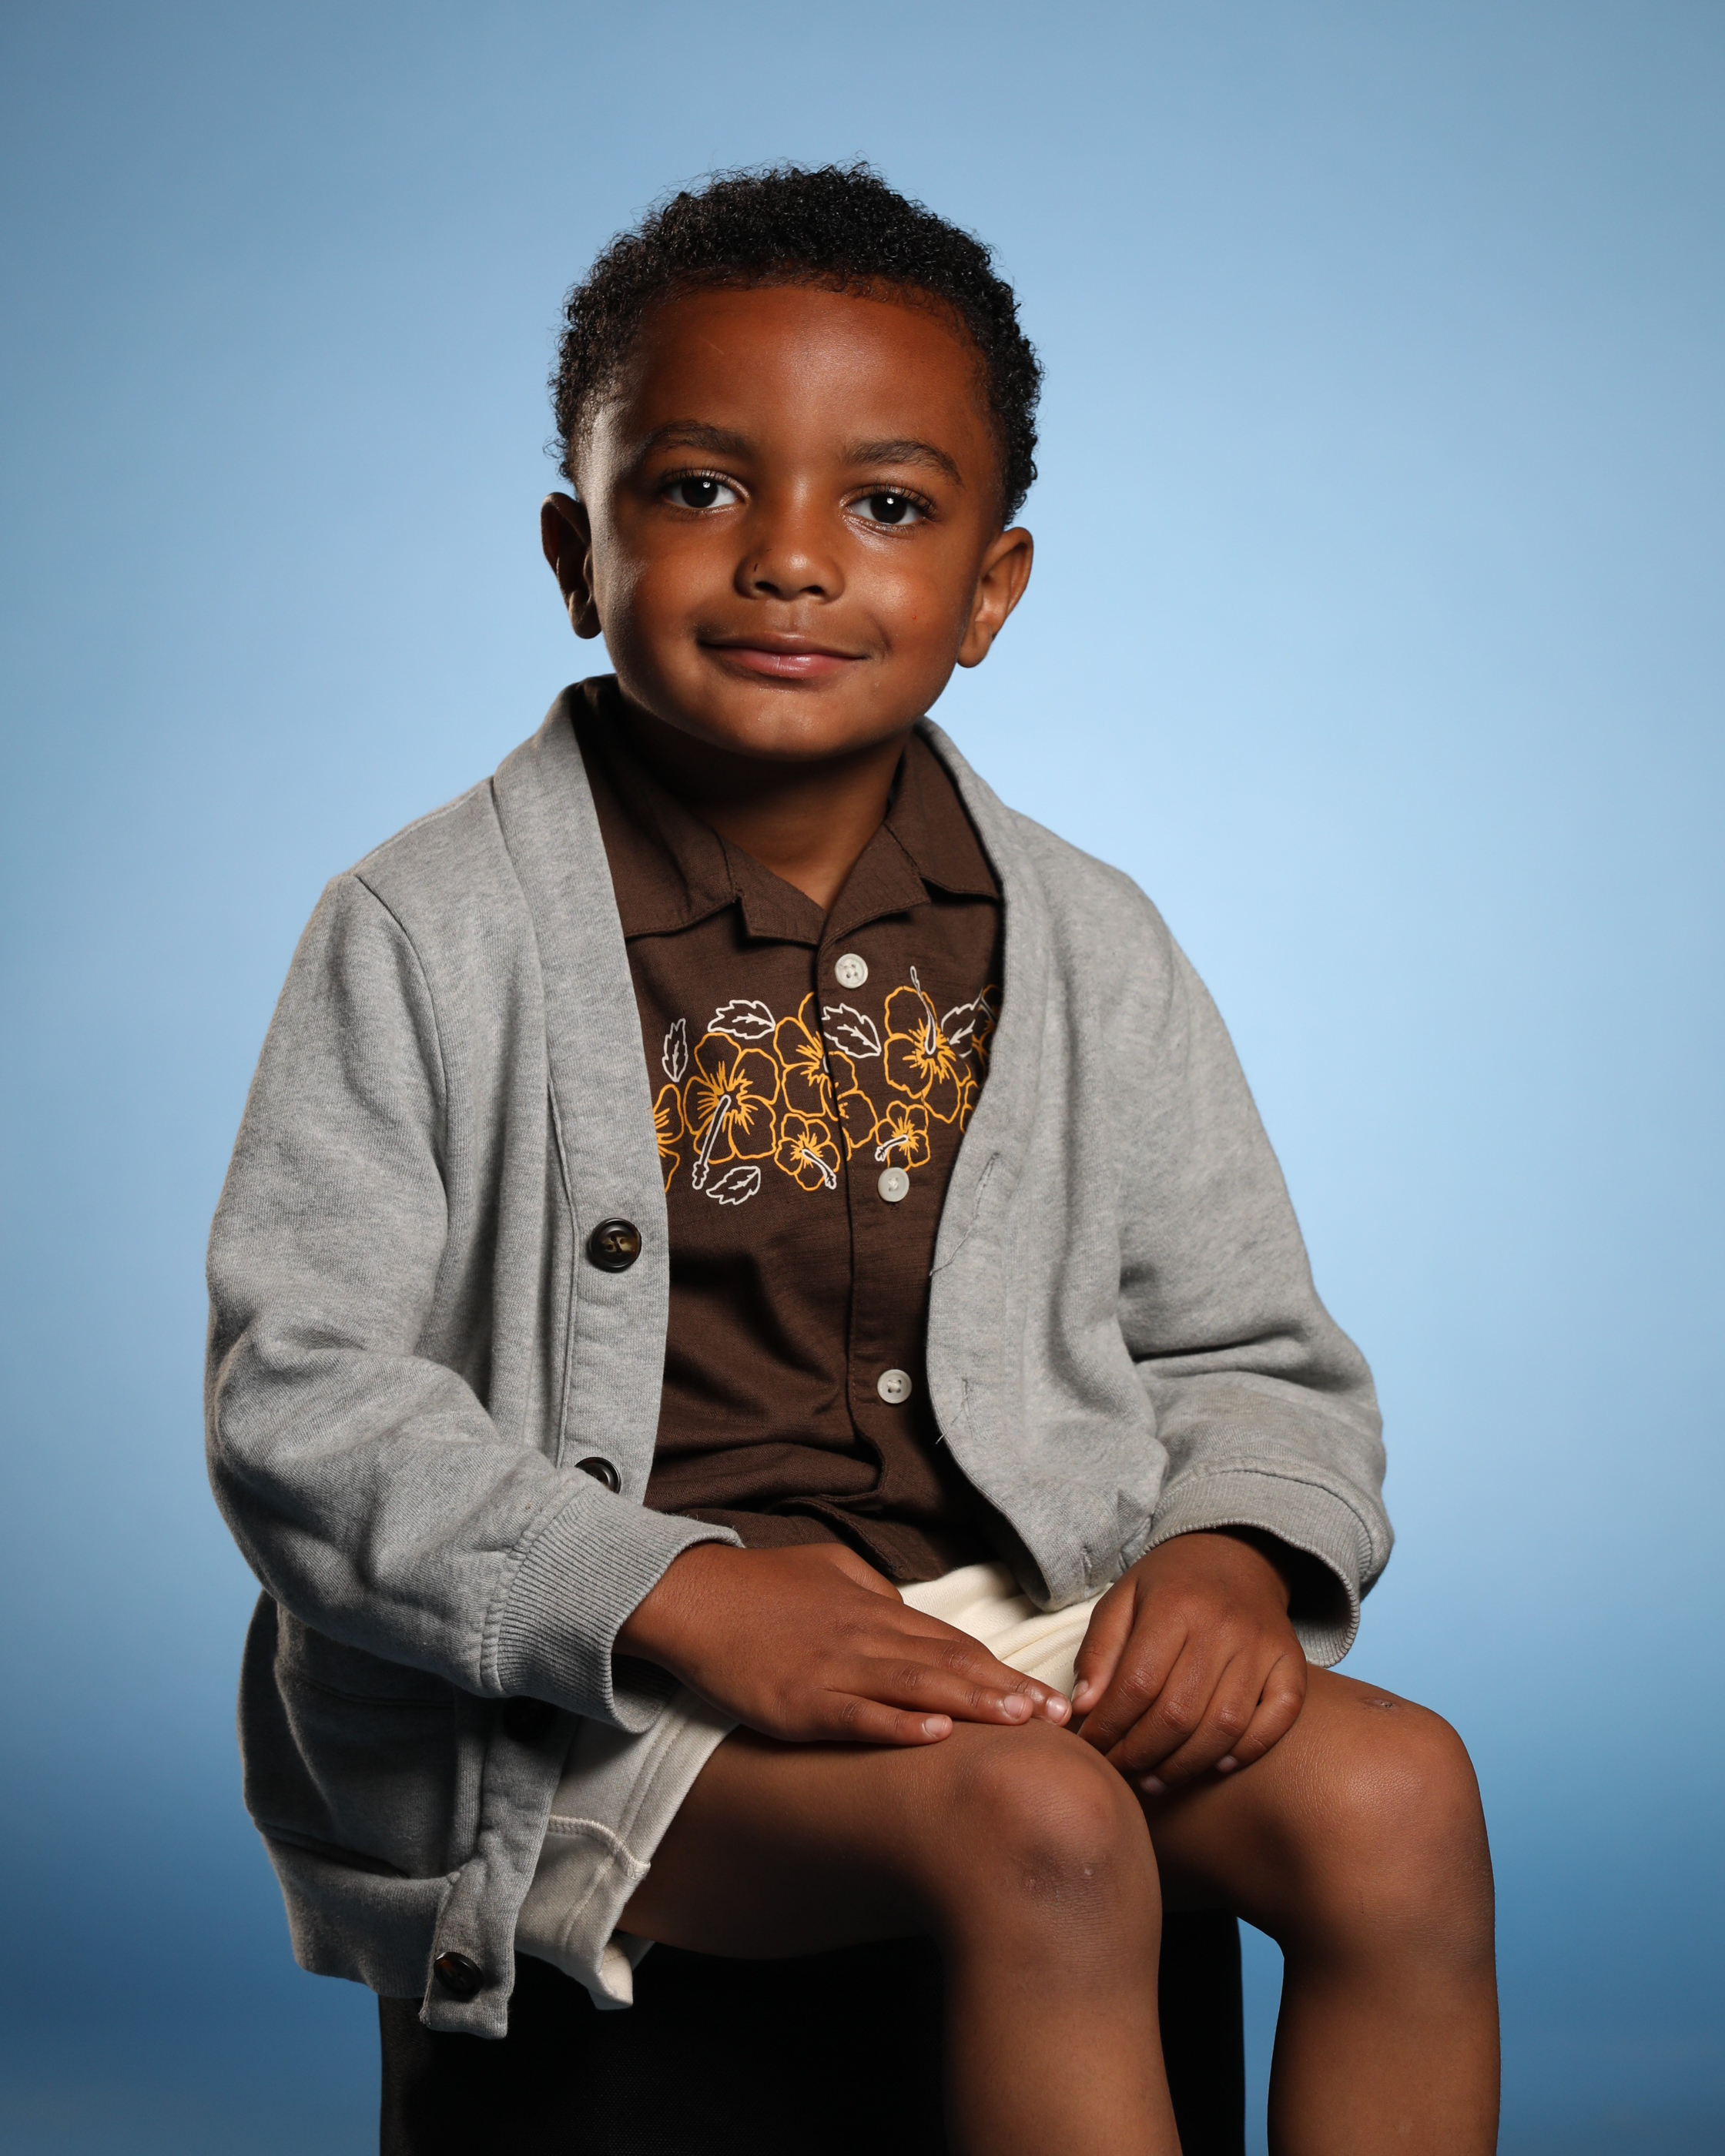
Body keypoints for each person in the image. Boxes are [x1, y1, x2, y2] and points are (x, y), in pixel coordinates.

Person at [206, 164, 1497, 2155]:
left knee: (1402, 1796)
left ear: (992, 589)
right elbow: (301, 1407)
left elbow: (1250, 1350)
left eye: (886, 506)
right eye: (700, 487)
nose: (793, 559)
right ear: (575, 551)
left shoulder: (1085, 938)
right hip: (588, 1692)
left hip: (1001, 1619)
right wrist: (673, 1596)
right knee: (1046, 1829)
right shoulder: (425, 931)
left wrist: (1236, 1554)